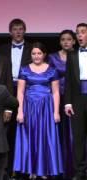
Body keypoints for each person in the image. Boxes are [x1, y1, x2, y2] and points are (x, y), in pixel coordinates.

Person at [14, 42, 63, 179]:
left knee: (45, 137)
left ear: (44, 54)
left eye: (39, 53)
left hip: (46, 108)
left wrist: (56, 112)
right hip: (29, 107)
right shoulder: (24, 69)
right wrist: (20, 111)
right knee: (30, 137)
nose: (36, 56)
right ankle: (32, 170)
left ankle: (44, 170)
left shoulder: (52, 70)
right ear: (30, 55)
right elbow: (20, 92)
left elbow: (56, 93)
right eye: (34, 53)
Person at [0, 19, 32, 177]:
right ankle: (5, 170)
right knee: (5, 132)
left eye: (21, 29)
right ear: (10, 32)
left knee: (26, 130)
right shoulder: (2, 49)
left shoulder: (33, 49)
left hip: (27, 92)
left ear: (25, 31)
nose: (18, 32)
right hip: (6, 91)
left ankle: (25, 170)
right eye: (15, 29)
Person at [48, 29, 76, 178]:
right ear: (60, 42)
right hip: (57, 99)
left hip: (75, 99)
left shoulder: (79, 55)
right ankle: (59, 169)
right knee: (59, 134)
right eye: (63, 39)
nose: (66, 42)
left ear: (74, 41)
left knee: (74, 134)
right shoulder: (52, 57)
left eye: (69, 39)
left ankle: (75, 169)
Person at [64, 23, 87, 180]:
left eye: (83, 32)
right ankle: (80, 171)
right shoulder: (72, 55)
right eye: (77, 33)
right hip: (78, 99)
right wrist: (68, 102)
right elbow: (68, 80)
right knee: (78, 137)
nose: (79, 35)